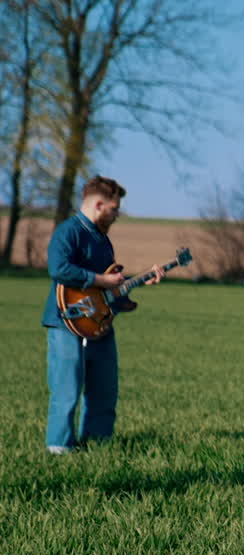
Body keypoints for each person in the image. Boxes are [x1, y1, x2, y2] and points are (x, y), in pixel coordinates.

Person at [42, 176, 162, 454]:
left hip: (100, 324)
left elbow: (108, 287)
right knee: (67, 389)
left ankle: (98, 445)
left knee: (105, 390)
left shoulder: (103, 241)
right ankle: (59, 448)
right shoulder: (68, 232)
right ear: (98, 204)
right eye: (114, 208)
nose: (117, 214)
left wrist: (134, 286)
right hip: (66, 322)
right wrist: (100, 279)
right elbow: (59, 269)